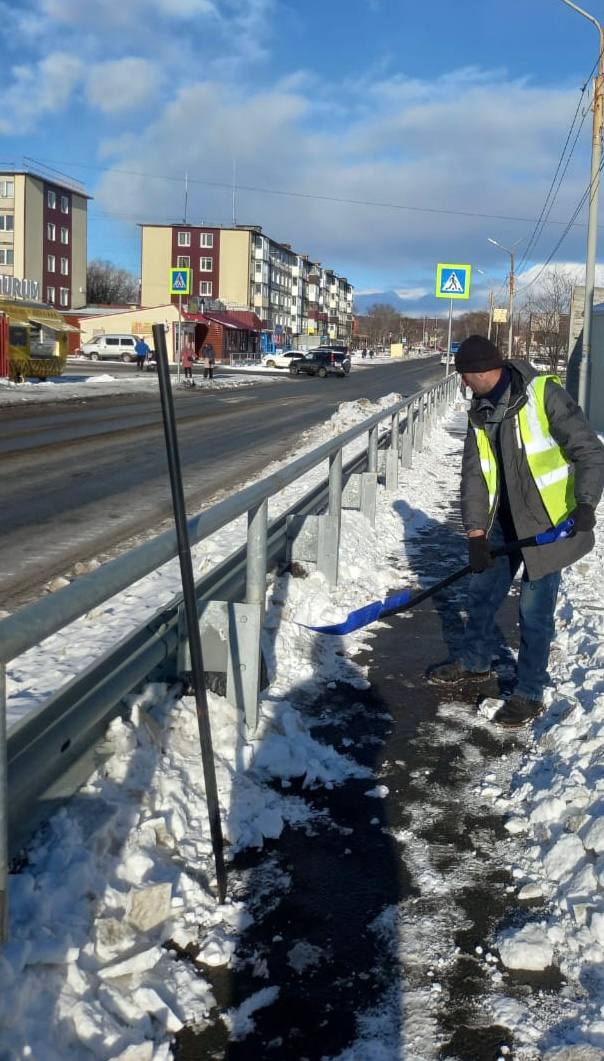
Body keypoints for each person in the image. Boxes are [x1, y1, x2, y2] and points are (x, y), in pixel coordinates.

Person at [430, 334, 604, 728]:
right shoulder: (481, 409)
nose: (462, 385)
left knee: (534, 611)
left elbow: (590, 449)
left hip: (549, 524)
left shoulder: (543, 393)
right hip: (500, 522)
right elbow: (474, 475)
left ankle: (529, 692)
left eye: (463, 377)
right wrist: (475, 532)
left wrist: (587, 504)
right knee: (481, 593)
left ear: (479, 372)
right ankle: (474, 661)